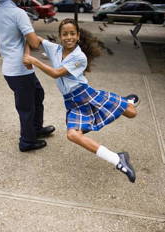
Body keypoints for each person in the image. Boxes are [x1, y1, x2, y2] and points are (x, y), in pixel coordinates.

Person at [23, 18, 140, 182]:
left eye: (72, 33)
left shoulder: (80, 57)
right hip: (72, 103)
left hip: (86, 95)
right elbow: (33, 39)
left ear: (78, 36)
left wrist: (34, 61)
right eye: (65, 34)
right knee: (72, 135)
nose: (68, 37)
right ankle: (117, 159)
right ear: (59, 36)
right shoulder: (54, 49)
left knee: (132, 113)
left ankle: (126, 102)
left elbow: (56, 73)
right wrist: (25, 43)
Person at [0, 0, 55, 152]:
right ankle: (27, 141)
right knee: (26, 107)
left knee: (38, 94)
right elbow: (34, 43)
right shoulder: (19, 13)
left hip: (13, 68)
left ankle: (35, 129)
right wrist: (25, 31)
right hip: (19, 69)